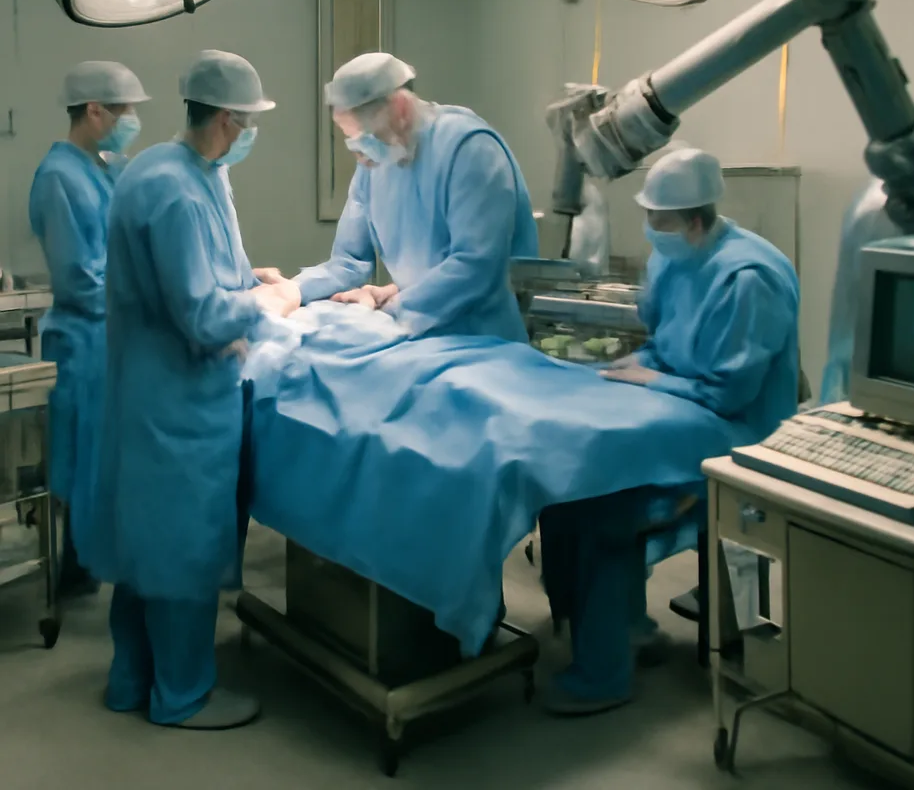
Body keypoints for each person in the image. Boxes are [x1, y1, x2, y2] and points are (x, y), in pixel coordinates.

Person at [82, 50, 301, 730]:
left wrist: (249, 278)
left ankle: (130, 680)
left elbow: (200, 270)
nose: (249, 134)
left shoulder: (166, 169)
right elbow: (203, 316)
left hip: (147, 394)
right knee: (181, 546)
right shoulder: (177, 191)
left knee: (143, 544)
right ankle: (182, 695)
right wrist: (266, 306)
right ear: (229, 119)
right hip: (180, 404)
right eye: (249, 122)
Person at [539, 146, 800, 716]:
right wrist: (640, 366)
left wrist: (655, 381)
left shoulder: (749, 278)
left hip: (738, 441)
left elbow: (731, 393)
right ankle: (629, 630)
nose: (652, 232)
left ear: (697, 221)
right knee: (567, 491)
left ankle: (606, 675)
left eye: (661, 221)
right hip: (681, 417)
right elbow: (662, 339)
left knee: (605, 512)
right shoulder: (671, 258)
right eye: (649, 219)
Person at [283, 52, 538, 340]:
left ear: (401, 108)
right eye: (352, 142)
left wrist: (394, 309)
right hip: (417, 335)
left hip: (483, 340)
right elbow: (349, 259)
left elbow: (476, 266)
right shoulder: (376, 163)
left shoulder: (469, 149)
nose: (361, 156)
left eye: (366, 138)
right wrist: (292, 290)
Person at [28, 61, 150, 597]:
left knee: (106, 456)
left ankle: (95, 553)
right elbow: (78, 279)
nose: (132, 121)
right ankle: (75, 565)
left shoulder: (104, 169)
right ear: (95, 110)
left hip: (111, 337)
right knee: (81, 456)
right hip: (82, 339)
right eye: (126, 111)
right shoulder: (59, 176)